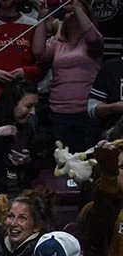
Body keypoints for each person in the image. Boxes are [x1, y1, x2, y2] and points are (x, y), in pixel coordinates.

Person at [31, 0, 102, 152]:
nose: (72, 15)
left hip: (85, 111)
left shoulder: (92, 44)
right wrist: (42, 18)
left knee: (86, 162)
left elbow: (93, 38)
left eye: (76, 12)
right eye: (69, 12)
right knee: (63, 161)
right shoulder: (58, 44)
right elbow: (38, 52)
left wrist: (77, 6)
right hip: (59, 111)